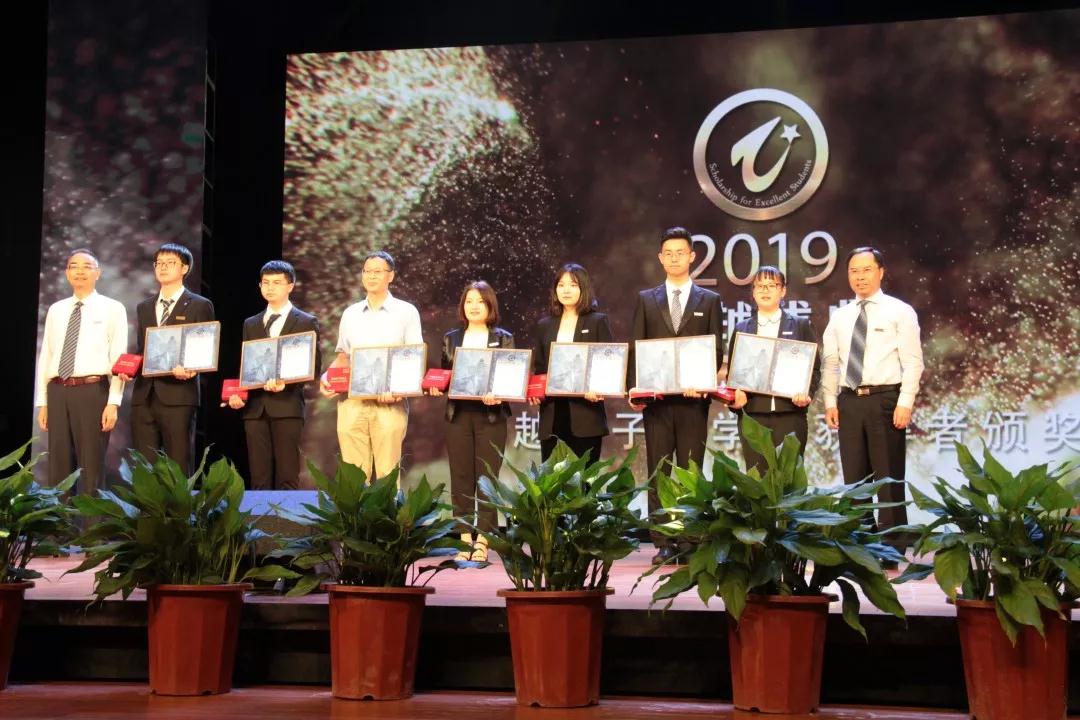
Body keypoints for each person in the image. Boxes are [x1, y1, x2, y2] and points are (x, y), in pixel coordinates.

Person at [628, 226, 725, 564]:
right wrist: (635, 389)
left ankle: (690, 538)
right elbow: (636, 347)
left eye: (680, 253)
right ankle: (663, 540)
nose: (674, 258)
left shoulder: (709, 300)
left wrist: (704, 381)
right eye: (668, 253)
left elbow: (716, 349)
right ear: (660, 258)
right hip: (657, 403)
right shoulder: (646, 299)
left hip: (693, 401)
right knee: (660, 470)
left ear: (692, 256)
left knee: (690, 470)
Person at [822, 247, 924, 552]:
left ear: (880, 272)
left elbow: (913, 362)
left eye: (866, 270)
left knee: (888, 477)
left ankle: (891, 548)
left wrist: (905, 402)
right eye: (854, 271)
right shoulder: (840, 316)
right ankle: (860, 547)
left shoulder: (900, 311)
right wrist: (830, 402)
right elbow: (830, 363)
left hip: (885, 400)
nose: (860, 277)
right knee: (855, 481)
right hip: (849, 401)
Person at [319, 250, 422, 480]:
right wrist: (327, 377)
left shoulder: (407, 312)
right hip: (352, 404)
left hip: (389, 404)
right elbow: (343, 357)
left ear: (391, 275)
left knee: (387, 476)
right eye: (367, 271)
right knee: (354, 478)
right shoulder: (350, 314)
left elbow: (414, 358)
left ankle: (387, 507)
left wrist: (398, 391)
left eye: (378, 271)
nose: (371, 276)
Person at [430, 281, 513, 562]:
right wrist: (436, 387)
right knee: (461, 477)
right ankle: (465, 539)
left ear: (490, 306)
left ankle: (484, 540)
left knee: (487, 478)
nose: (474, 306)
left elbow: (510, 376)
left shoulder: (503, 338)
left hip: (491, 416)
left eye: (480, 301)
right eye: (469, 301)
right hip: (459, 415)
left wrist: (498, 393)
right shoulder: (451, 338)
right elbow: (445, 376)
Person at [34, 249, 127, 495]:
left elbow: (119, 358)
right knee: (59, 465)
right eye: (74, 266)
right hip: (57, 390)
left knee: (91, 464)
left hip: (92, 390)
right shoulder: (56, 309)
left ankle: (91, 520)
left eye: (87, 266)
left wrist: (113, 402)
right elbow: (47, 355)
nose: (80, 271)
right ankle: (58, 520)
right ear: (67, 273)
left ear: (98, 273)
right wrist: (43, 401)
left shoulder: (112, 308)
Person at [227, 260, 320, 490]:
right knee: (258, 477)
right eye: (265, 283)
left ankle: (286, 515)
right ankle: (259, 515)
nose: (270, 287)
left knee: (288, 475)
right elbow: (246, 365)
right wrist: (237, 394)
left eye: (277, 282)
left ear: (290, 286)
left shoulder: (306, 321)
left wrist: (286, 382)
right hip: (255, 408)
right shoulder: (251, 323)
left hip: (287, 405)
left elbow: (314, 367)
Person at [124, 243, 214, 474]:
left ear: (184, 268)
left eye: (170, 263)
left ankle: (179, 501)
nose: (163, 267)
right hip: (144, 395)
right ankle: (148, 501)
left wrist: (192, 368)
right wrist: (129, 368)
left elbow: (204, 347)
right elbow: (143, 349)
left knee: (178, 462)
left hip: (179, 394)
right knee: (144, 466)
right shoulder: (144, 307)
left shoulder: (200, 305)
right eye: (159, 263)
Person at [726, 266, 820, 474]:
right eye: (760, 286)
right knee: (758, 482)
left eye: (771, 285)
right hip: (753, 416)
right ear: (753, 291)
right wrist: (735, 398)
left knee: (790, 480)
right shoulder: (742, 329)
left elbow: (814, 369)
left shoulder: (800, 325)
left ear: (783, 290)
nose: (765, 290)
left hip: (790, 414)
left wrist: (807, 393)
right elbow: (733, 374)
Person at [530, 263, 613, 461]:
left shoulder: (597, 321)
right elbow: (540, 368)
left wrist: (598, 387)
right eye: (561, 285)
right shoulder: (544, 325)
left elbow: (608, 363)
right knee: (552, 477)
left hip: (586, 414)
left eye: (573, 285)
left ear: (583, 288)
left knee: (584, 478)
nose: (566, 290)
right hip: (552, 415)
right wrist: (534, 392)